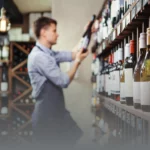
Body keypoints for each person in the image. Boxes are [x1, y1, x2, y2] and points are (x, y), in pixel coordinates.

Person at [27, 17, 89, 149]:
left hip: (56, 112)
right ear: (44, 32)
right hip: (46, 117)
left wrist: (87, 32)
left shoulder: (49, 54)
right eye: (54, 31)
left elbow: (74, 54)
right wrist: (77, 62)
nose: (57, 34)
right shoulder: (39, 57)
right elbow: (63, 81)